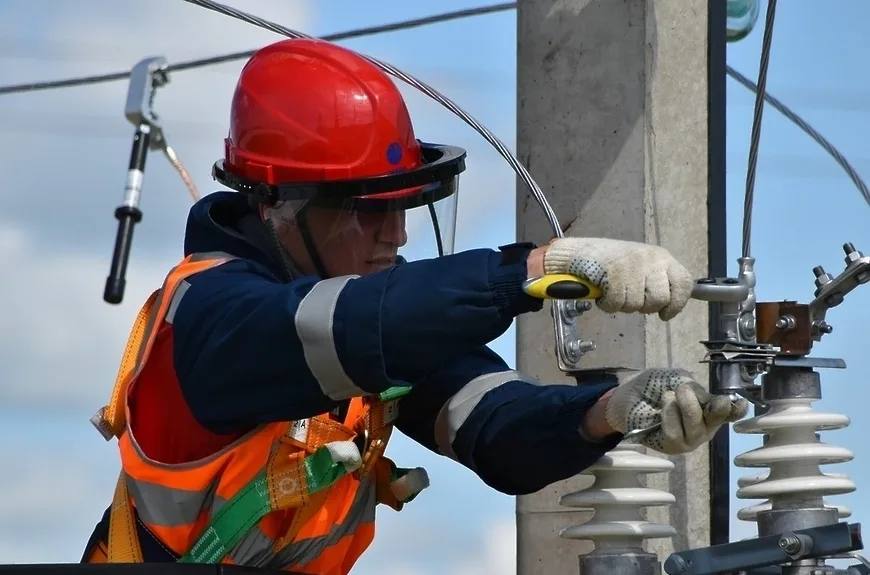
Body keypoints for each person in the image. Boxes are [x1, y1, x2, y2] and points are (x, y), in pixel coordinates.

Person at [83, 39, 747, 573]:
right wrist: (532, 268)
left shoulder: (377, 326)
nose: (396, 235)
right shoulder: (211, 317)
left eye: (404, 207)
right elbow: (341, 329)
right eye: (371, 211)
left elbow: (499, 431)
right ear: (281, 207)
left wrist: (610, 410)